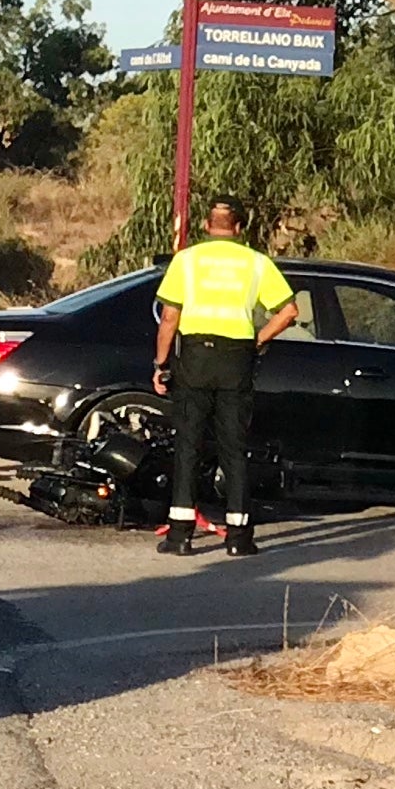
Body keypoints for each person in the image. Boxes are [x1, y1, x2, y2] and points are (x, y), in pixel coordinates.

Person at [151, 195, 297, 557]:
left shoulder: (186, 261)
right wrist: (258, 340)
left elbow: (169, 317)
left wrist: (161, 364)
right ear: (239, 228)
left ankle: (181, 535)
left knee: (188, 445)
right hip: (236, 359)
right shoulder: (257, 263)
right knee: (234, 447)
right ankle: (239, 536)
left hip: (196, 358)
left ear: (205, 225)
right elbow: (288, 311)